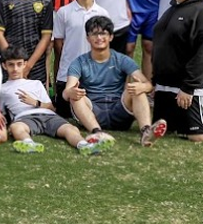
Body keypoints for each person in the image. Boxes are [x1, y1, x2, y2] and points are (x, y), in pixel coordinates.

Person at [64, 15, 163, 146]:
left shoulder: (121, 59)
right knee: (76, 97)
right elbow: (66, 92)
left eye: (103, 33)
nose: (99, 38)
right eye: (94, 34)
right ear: (88, 38)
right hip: (93, 109)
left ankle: (146, 132)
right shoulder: (79, 62)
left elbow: (148, 84)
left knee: (137, 89)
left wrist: (142, 87)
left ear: (111, 37)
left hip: (119, 109)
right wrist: (72, 92)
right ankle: (97, 133)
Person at [1, 49, 105, 155]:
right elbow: (0, 112)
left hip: (48, 115)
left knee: (70, 128)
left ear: (25, 64)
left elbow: (51, 107)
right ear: (4, 66)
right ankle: (28, 144)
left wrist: (35, 102)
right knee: (16, 128)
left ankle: (84, 145)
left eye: (19, 64)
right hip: (24, 118)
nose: (15, 69)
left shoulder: (36, 83)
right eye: (11, 65)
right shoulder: (1, 89)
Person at [151, 0, 203, 142]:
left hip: (193, 89)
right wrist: (156, 82)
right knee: (168, 130)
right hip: (166, 87)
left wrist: (189, 87)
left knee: (197, 136)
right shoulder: (172, 8)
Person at [51, 0, 111, 109]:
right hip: (67, 74)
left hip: (94, 75)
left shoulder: (103, 13)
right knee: (63, 111)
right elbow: (58, 45)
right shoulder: (64, 12)